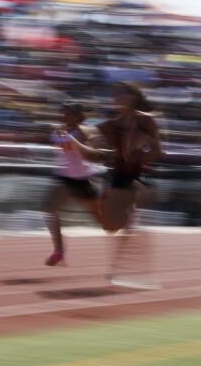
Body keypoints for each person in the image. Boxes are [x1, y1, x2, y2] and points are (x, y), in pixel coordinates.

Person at [60, 82, 163, 286]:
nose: (116, 97)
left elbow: (159, 151)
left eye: (121, 94)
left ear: (133, 97)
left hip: (135, 177)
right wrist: (74, 141)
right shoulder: (110, 125)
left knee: (121, 214)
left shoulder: (146, 121)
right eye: (114, 94)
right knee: (109, 227)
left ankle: (135, 201)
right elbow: (90, 147)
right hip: (116, 177)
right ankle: (129, 215)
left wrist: (141, 155)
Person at [45, 102, 105, 266]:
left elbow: (92, 145)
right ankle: (59, 251)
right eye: (62, 112)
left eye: (68, 113)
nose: (64, 116)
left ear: (79, 116)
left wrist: (73, 136)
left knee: (100, 220)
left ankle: (124, 227)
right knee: (49, 210)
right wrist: (61, 135)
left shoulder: (84, 131)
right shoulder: (60, 131)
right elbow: (60, 146)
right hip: (65, 178)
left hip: (83, 180)